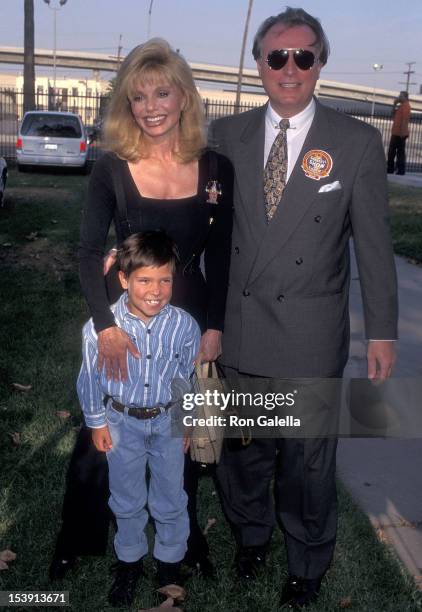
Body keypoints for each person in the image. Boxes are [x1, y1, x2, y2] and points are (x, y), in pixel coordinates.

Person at [210, 7, 397, 608]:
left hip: (309, 334)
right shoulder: (225, 137)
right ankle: (250, 535)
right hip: (239, 327)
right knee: (244, 451)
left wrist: (383, 333)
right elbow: (196, 227)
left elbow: (373, 246)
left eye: (303, 57)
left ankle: (308, 560)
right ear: (259, 63)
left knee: (307, 463)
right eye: (276, 57)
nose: (289, 69)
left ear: (320, 63)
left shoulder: (356, 142)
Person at [50, 38, 233, 581]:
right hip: (124, 321)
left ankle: (184, 541)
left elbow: (222, 254)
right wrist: (105, 327)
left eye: (162, 92)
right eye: (138, 97)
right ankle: (77, 537)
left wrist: (215, 327)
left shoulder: (216, 167)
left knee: (183, 433)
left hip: (190, 320)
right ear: (127, 106)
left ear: (183, 98)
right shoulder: (112, 167)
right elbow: (87, 252)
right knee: (99, 435)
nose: (151, 105)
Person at [77, 231, 200, 607]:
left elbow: (187, 378)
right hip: (121, 424)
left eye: (165, 280)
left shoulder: (183, 325)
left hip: (166, 424)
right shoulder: (101, 328)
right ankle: (129, 563)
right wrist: (97, 421)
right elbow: (88, 378)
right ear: (123, 279)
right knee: (126, 497)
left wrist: (187, 421)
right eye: (144, 280)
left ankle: (168, 566)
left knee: (170, 497)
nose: (156, 290)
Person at [387, 90, 411, 175]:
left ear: (405, 97)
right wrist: (394, 104)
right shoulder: (401, 106)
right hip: (395, 132)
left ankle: (400, 170)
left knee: (399, 153)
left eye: (400, 96)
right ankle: (390, 169)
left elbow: (405, 120)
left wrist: (402, 133)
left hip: (400, 134)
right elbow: (392, 114)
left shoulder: (406, 106)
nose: (399, 97)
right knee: (391, 152)